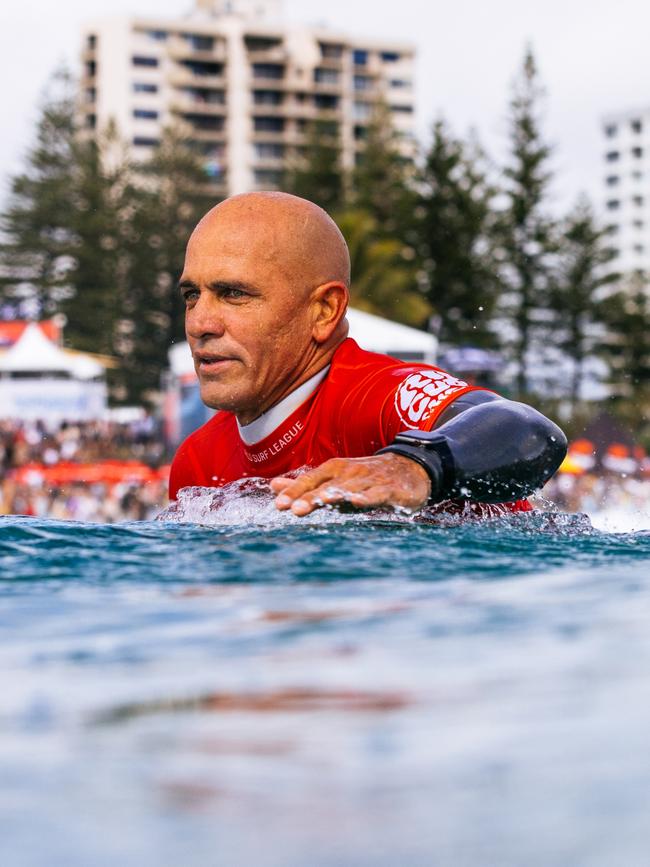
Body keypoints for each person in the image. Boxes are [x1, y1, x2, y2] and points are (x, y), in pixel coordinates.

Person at [169, 192, 567, 516]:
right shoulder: (197, 463)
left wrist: (413, 465)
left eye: (234, 294)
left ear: (324, 311)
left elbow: (528, 431)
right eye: (192, 296)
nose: (199, 323)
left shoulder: (377, 398)